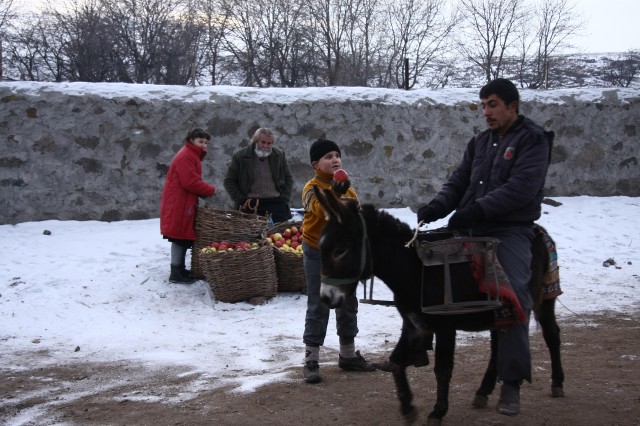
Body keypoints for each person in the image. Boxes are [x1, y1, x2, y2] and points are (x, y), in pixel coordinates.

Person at [416, 78, 553, 416]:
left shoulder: (534, 140)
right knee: (421, 273)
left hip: (510, 230)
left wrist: (478, 209)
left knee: (514, 296)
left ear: (512, 106)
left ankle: (511, 383)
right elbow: (458, 181)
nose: (486, 112)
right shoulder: (479, 141)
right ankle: (416, 347)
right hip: (468, 226)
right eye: (483, 105)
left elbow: (521, 188)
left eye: (493, 104)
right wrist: (436, 207)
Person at [300, 138, 376, 384]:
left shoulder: (349, 189)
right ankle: (311, 359)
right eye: (328, 156)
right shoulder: (311, 188)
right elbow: (322, 209)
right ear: (315, 164)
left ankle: (348, 355)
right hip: (317, 252)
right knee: (319, 303)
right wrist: (336, 191)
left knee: (347, 303)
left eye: (337, 155)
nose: (335, 159)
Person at [160, 127, 217, 284]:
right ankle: (176, 272)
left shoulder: (191, 154)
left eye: (206, 142)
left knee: (182, 235)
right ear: (191, 140)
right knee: (179, 236)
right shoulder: (187, 156)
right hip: (179, 202)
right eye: (201, 141)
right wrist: (210, 190)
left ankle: (179, 269)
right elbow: (189, 181)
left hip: (182, 201)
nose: (204, 145)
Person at [223, 128, 294, 224]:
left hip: (276, 204)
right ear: (255, 141)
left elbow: (288, 178)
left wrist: (284, 198)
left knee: (280, 235)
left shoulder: (279, 155)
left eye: (269, 143)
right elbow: (229, 181)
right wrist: (241, 200)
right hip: (251, 206)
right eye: (263, 142)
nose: (265, 146)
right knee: (253, 238)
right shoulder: (241, 156)